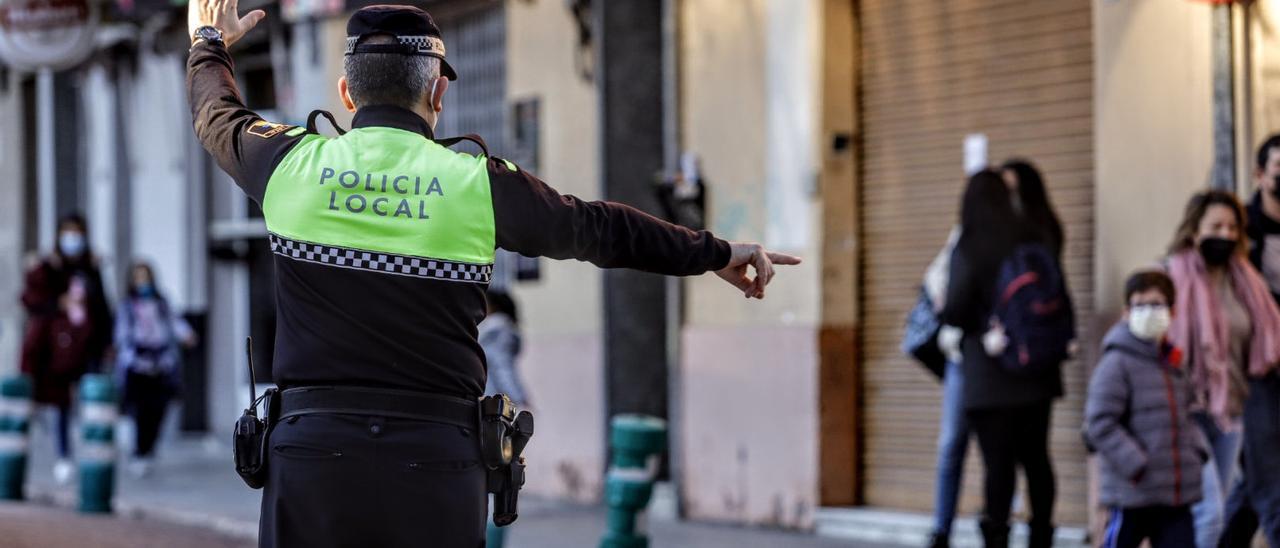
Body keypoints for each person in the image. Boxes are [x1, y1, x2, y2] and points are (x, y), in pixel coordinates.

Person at [185, 1, 800, 546]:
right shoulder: (476, 183)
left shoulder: (289, 162)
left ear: (347, 93)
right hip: (436, 461)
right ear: (437, 94)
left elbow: (217, 115)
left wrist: (208, 41)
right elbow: (602, 229)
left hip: (311, 458)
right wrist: (716, 253)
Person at [939, 169, 1066, 548]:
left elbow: (956, 310)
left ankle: (997, 536)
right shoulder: (1033, 234)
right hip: (1037, 367)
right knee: (1037, 460)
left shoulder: (970, 243)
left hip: (988, 373)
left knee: (998, 466)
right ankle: (1041, 534)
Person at [1164, 190, 1280, 548]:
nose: (1226, 235)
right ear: (1194, 231)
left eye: (1232, 228)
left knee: (1225, 503)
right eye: (1216, 226)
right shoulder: (1170, 277)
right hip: (1187, 411)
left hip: (1231, 411)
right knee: (1209, 512)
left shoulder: (1246, 281)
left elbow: (1265, 338)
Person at [1086, 270, 1205, 548]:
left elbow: (1188, 413)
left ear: (1172, 312)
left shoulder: (1174, 363)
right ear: (1126, 312)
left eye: (1156, 304)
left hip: (1175, 495)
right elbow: (1099, 424)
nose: (1148, 312)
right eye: (1140, 305)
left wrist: (1196, 452)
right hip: (1131, 495)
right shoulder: (1116, 363)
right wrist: (1137, 464)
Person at [19, 213, 113, 485]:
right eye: (68, 233)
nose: (73, 239)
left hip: (89, 345)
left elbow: (101, 306)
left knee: (91, 399)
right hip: (58, 347)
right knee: (61, 402)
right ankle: (63, 454)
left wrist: (108, 341)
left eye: (78, 233)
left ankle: (92, 450)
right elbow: (32, 299)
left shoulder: (90, 268)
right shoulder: (50, 267)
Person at [1222, 134, 1280, 547]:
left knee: (1256, 476)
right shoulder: (1240, 228)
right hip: (1256, 366)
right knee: (1272, 473)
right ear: (1260, 173)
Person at [114, 262, 196, 478]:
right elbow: (121, 334)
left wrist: (186, 335)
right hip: (137, 364)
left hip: (161, 364)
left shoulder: (161, 303)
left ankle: (149, 450)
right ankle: (138, 452)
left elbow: (174, 322)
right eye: (138, 278)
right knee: (139, 411)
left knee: (158, 410)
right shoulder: (128, 305)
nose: (143, 282)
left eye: (146, 277)